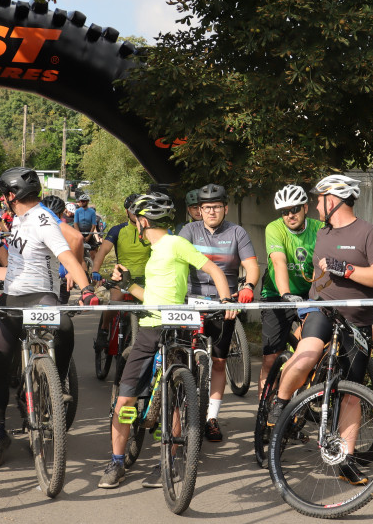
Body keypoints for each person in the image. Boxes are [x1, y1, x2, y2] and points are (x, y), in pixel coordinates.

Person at [266, 174, 373, 485]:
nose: (314, 206)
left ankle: (345, 460)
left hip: (358, 318)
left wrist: (349, 270)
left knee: (352, 394)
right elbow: (317, 275)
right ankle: (281, 404)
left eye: (319, 199)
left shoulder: (369, 233)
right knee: (308, 353)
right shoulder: (322, 234)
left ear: (334, 200)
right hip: (322, 308)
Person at [100, 193, 233, 489]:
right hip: (153, 325)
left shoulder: (174, 243)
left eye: (136, 222)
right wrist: (126, 285)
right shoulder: (160, 250)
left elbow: (212, 269)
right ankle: (118, 462)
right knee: (129, 399)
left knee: (160, 400)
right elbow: (154, 297)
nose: (136, 227)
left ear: (143, 222)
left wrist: (226, 300)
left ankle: (164, 460)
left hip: (169, 328)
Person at [0, 168, 97, 451]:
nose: (2, 198)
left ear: (11, 195)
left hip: (41, 297)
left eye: (3, 194)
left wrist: (86, 289)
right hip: (12, 298)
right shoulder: (19, 219)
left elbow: (67, 255)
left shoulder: (43, 219)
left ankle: (53, 386)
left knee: (65, 327)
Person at [178, 183, 260, 442]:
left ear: (225, 208)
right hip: (192, 302)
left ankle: (211, 418)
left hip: (225, 305)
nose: (211, 211)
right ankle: (180, 408)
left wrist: (248, 285)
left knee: (220, 361)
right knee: (183, 358)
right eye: (205, 207)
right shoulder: (188, 231)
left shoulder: (237, 232)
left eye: (216, 207)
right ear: (198, 210)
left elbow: (251, 265)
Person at [258, 185, 321, 391]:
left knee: (313, 349)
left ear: (305, 207)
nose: (290, 215)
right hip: (277, 293)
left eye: (294, 209)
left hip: (307, 292)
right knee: (270, 359)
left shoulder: (319, 229)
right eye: (284, 212)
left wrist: (314, 296)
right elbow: (279, 262)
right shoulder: (274, 228)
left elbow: (321, 265)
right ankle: (263, 413)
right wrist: (286, 294)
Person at [91, 193, 151, 348]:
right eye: (133, 210)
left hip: (148, 279)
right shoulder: (118, 230)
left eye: (140, 211)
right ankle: (104, 331)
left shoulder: (151, 231)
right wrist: (95, 270)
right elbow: (103, 251)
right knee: (115, 301)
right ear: (126, 212)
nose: (136, 214)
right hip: (122, 277)